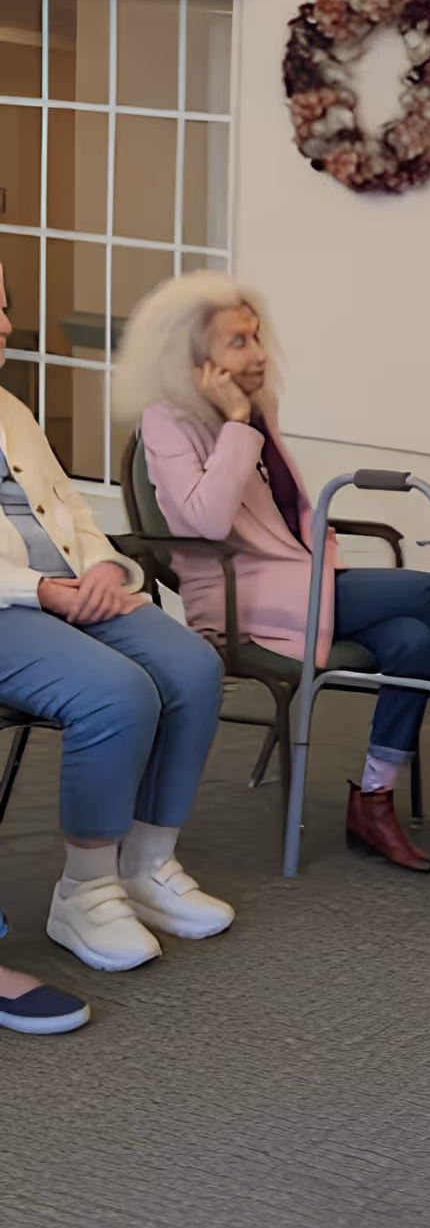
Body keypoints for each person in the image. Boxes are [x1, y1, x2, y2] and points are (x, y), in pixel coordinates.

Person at [125, 272, 430, 874]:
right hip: (239, 600)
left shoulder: (262, 406)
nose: (257, 353)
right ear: (194, 356)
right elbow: (203, 524)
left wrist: (248, 420)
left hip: (303, 583)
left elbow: (286, 512)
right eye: (237, 342)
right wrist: (234, 424)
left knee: (413, 640)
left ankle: (374, 800)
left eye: (257, 337)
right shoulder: (169, 420)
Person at [0, 262, 231, 1009]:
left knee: (192, 665)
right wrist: (40, 591)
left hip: (66, 594)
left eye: (6, 306)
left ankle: (149, 866)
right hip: (11, 608)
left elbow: (70, 509)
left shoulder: (10, 409)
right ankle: (86, 891)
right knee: (116, 693)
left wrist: (106, 570)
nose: (7, 326)